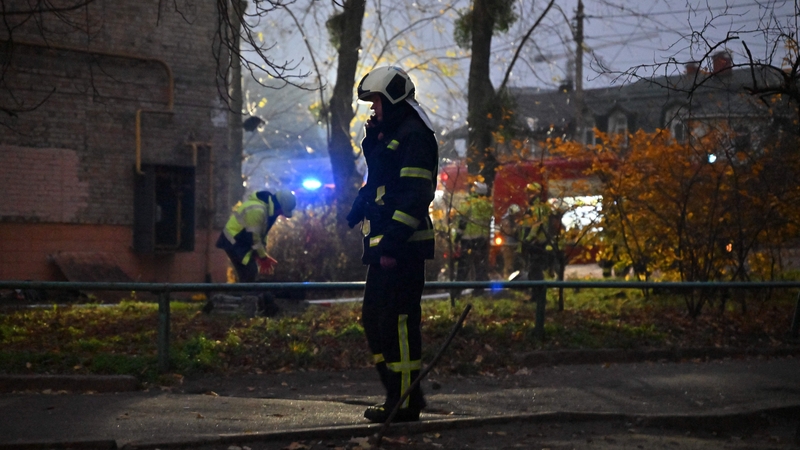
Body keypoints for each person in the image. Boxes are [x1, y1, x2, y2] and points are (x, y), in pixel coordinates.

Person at [346, 66, 438, 423]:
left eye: (377, 101)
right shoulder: (393, 134)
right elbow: (380, 183)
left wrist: (391, 247)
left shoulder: (414, 136)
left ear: (395, 98)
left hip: (402, 247)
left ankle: (402, 401)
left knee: (397, 323)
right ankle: (401, 394)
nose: (373, 109)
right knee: (374, 320)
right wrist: (357, 209)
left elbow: (414, 196)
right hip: (387, 245)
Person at [215, 189, 296, 283]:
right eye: (281, 212)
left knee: (249, 274)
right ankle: (241, 296)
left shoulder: (267, 210)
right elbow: (254, 238)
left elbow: (261, 235)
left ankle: (241, 296)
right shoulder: (259, 210)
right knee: (249, 272)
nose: (281, 215)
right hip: (234, 241)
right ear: (278, 206)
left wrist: (262, 254)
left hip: (239, 240)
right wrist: (262, 256)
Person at [454, 182, 492, 292]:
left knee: (463, 266)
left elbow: (462, 222)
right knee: (480, 266)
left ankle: (457, 291)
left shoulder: (468, 203)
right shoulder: (488, 205)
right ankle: (479, 290)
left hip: (468, 239)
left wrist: (457, 238)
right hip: (482, 239)